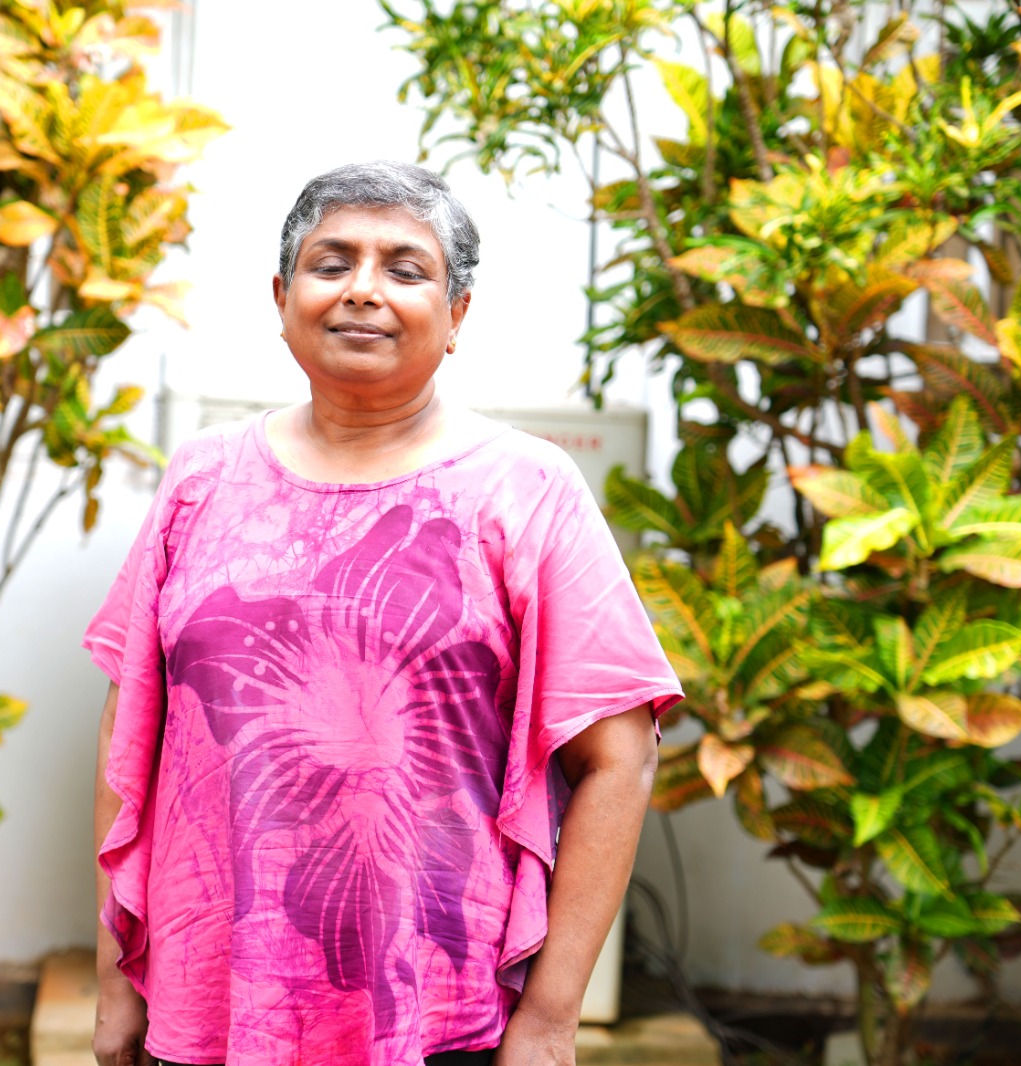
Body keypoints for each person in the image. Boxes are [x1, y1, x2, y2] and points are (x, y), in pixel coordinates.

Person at [83, 161, 683, 1066]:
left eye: (406, 269)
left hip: (438, 1009)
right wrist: (116, 977)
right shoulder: (202, 478)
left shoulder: (524, 491)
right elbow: (134, 733)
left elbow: (619, 757)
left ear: (458, 316)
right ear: (282, 297)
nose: (363, 291)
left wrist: (553, 1018)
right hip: (209, 1005)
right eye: (332, 263)